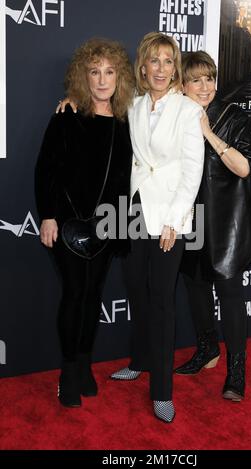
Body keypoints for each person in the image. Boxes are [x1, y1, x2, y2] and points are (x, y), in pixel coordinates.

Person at [110, 32, 205, 422]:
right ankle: (141, 360)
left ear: (174, 67)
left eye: (168, 61)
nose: (162, 69)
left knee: (163, 300)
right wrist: (71, 103)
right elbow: (98, 112)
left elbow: (192, 170)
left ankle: (162, 391)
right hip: (133, 212)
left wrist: (175, 221)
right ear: (143, 67)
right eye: (155, 61)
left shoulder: (188, 110)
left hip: (170, 216)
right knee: (137, 291)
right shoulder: (131, 106)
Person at [35, 38, 134, 408]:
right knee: (75, 294)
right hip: (65, 223)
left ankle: (85, 365)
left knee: (93, 296)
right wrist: (47, 215)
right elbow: (46, 169)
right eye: (94, 72)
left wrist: (123, 227)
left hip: (108, 227)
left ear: (120, 77)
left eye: (109, 72)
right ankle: (67, 371)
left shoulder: (126, 122)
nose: (102, 79)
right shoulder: (67, 116)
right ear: (83, 76)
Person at [175, 51, 251, 402]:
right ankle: (207, 349)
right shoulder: (175, 115)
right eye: (196, 79)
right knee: (195, 288)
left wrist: (208, 133)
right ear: (182, 84)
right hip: (190, 218)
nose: (205, 86)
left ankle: (236, 371)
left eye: (209, 78)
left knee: (229, 294)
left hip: (228, 220)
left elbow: (244, 168)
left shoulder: (233, 115)